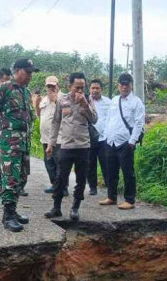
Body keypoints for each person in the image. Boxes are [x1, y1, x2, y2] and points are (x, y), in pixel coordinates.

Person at [0, 58, 38, 232]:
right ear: (17, 70)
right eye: (28, 72)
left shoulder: (26, 92)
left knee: (21, 177)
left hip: (24, 143)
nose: (30, 76)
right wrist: (1, 132)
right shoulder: (4, 89)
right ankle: (7, 216)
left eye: (31, 72)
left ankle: (13, 211)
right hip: (9, 143)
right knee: (10, 178)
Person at [44, 72, 97, 221]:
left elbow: (94, 119)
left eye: (82, 88)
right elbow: (55, 123)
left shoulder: (88, 100)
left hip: (83, 146)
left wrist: (84, 104)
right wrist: (51, 144)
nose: (80, 91)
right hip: (66, 146)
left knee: (81, 179)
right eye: (77, 87)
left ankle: (75, 208)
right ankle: (56, 207)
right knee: (61, 178)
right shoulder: (62, 100)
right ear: (70, 86)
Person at [100, 73, 145, 210]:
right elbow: (109, 118)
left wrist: (132, 141)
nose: (124, 87)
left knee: (128, 173)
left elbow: (139, 123)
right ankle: (111, 197)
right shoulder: (114, 100)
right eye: (122, 84)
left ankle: (129, 200)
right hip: (111, 141)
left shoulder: (136, 102)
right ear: (118, 85)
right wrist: (106, 135)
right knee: (111, 171)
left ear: (131, 85)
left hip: (126, 142)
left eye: (127, 84)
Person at [34, 76, 68, 197]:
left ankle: (63, 187)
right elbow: (39, 115)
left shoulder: (64, 98)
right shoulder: (44, 99)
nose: (51, 88)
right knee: (49, 162)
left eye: (53, 86)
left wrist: (55, 101)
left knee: (59, 162)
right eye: (48, 86)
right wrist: (37, 104)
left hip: (58, 137)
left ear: (58, 86)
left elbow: (66, 116)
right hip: (45, 138)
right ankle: (55, 185)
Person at [87, 79, 112, 195]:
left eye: (97, 88)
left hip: (103, 138)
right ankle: (93, 187)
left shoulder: (108, 102)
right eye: (93, 88)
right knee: (90, 163)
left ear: (101, 89)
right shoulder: (85, 102)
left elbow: (112, 118)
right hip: (89, 138)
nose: (95, 90)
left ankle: (109, 186)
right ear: (89, 89)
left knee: (106, 163)